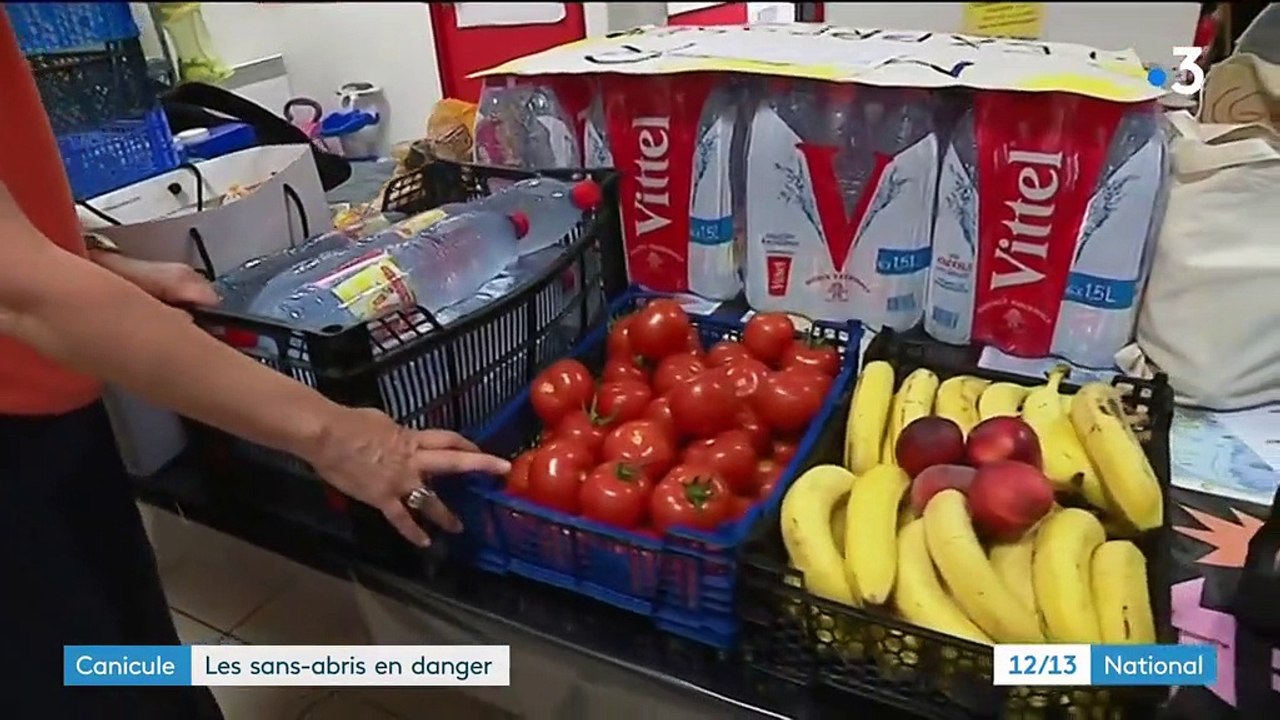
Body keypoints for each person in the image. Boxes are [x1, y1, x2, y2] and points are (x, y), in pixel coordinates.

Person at [0, 14, 509, 720]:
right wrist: (336, 434)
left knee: (133, 662)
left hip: (54, 412)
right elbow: (21, 293)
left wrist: (105, 267)